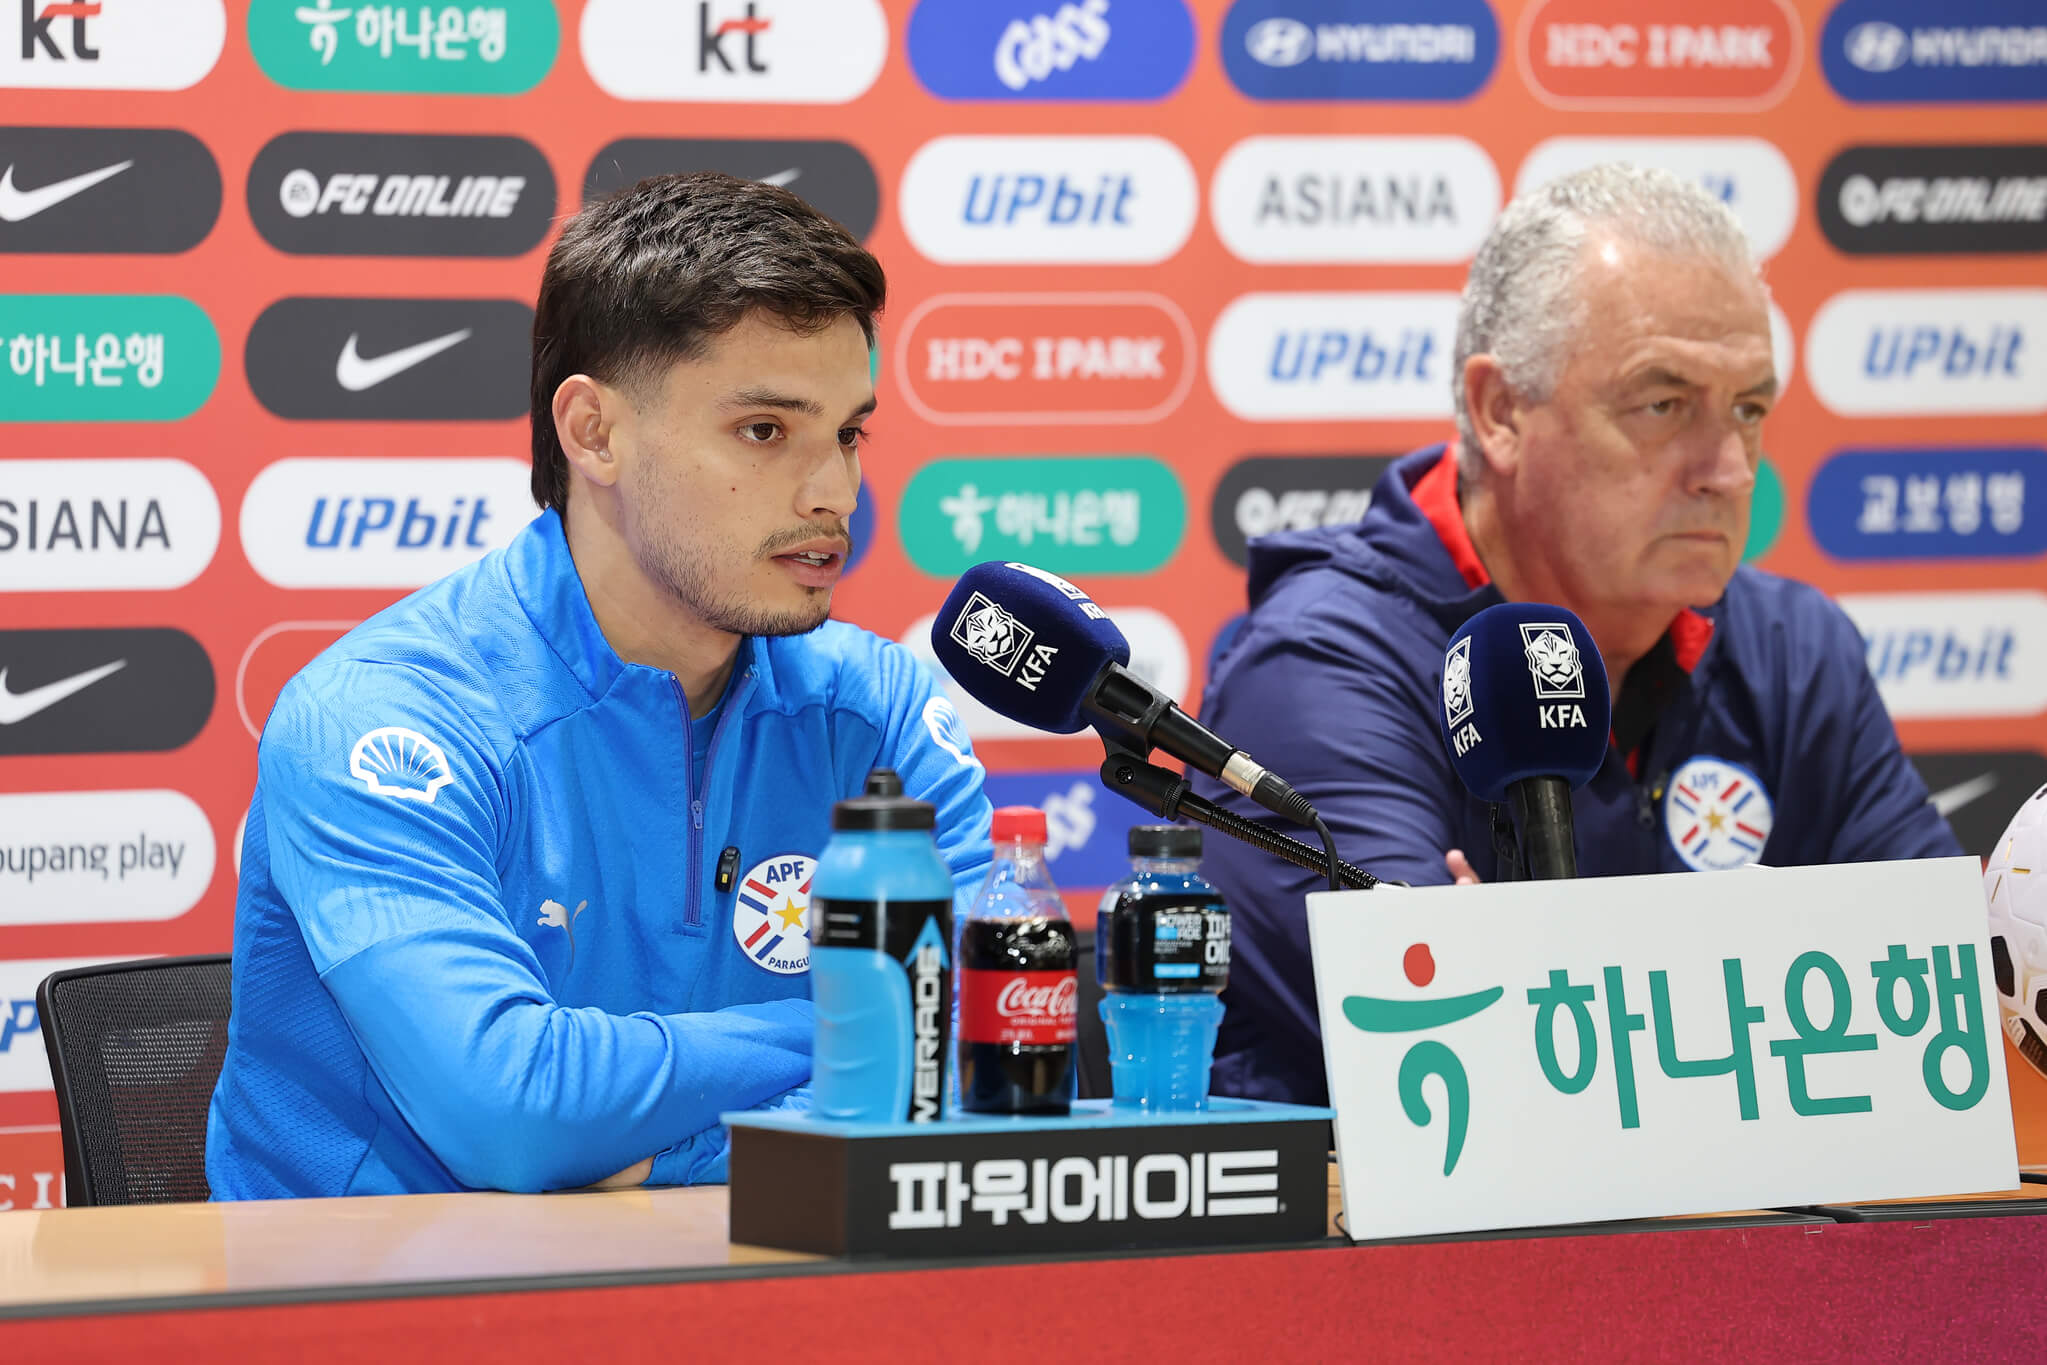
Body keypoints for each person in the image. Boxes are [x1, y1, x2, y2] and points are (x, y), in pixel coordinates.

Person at [207, 173, 993, 1197]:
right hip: (394, 1319)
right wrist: (866, 1024)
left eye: (848, 433)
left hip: (754, 1296)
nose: (834, 492)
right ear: (593, 433)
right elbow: (512, 1115)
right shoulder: (388, 716)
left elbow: (989, 1040)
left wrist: (660, 1153)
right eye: (765, 431)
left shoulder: (879, 709)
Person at [1194, 164, 1962, 1107]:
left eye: (1749, 409)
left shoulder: (1793, 651)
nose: (1725, 469)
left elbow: (1948, 1016)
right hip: (1411, 1250)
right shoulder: (1318, 668)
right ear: (1500, 411)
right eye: (1662, 402)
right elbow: (1460, 1051)